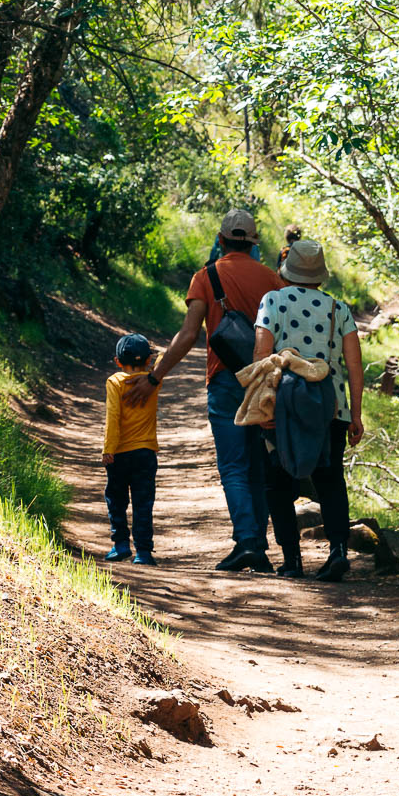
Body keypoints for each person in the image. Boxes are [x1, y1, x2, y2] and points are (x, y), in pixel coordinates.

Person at [127, 209, 281, 571]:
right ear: (253, 243)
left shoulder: (206, 277)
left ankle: (246, 542)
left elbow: (188, 334)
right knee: (257, 465)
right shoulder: (272, 280)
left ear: (221, 239)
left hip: (226, 379)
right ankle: (257, 543)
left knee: (233, 465)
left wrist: (154, 376)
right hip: (263, 380)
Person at [253, 239, 364, 581]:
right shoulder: (338, 309)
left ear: (288, 271)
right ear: (319, 274)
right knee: (330, 480)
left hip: (285, 405)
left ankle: (292, 560)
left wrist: (264, 405)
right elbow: (354, 365)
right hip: (330, 407)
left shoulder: (272, 300)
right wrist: (355, 415)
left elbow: (262, 355)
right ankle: (338, 552)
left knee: (278, 480)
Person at [102, 333, 159, 565]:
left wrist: (108, 448)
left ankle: (121, 545)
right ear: (148, 360)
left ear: (117, 361)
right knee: (143, 502)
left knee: (116, 499)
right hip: (145, 453)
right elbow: (166, 355)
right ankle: (143, 552)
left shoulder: (115, 382)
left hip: (119, 453)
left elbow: (113, 416)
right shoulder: (154, 380)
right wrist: (152, 359)